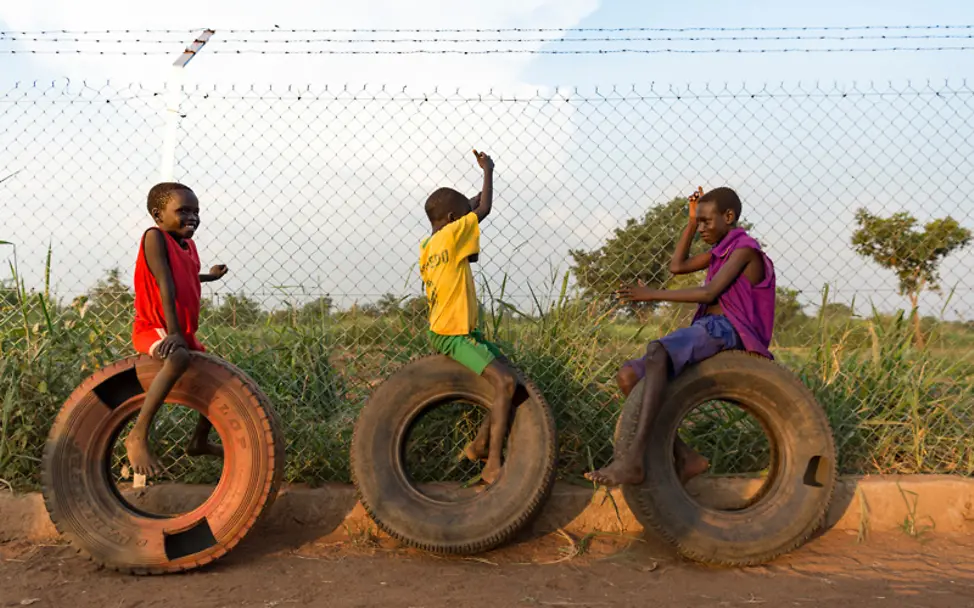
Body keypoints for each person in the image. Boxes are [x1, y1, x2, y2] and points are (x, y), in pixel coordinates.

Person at [586, 186, 776, 487]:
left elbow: (710, 292)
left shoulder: (744, 250)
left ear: (729, 217)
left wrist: (651, 294)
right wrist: (688, 222)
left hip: (728, 329)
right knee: (628, 376)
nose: (701, 228)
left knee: (657, 351)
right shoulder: (718, 252)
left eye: (706, 221)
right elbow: (677, 266)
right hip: (709, 329)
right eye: (698, 222)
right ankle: (687, 457)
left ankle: (634, 460)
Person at [419, 149, 518, 485]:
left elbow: (472, 206)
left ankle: (477, 445)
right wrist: (489, 170)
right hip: (453, 334)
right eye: (462, 216)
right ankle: (492, 462)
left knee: (510, 378)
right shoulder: (451, 234)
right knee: (505, 383)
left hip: (452, 329)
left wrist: (469, 201)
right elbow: (484, 208)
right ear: (451, 218)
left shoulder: (429, 245)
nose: (468, 219)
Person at [125, 182, 229, 477]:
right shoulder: (154, 238)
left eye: (196, 211)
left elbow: (184, 276)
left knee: (217, 373)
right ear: (158, 215)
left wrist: (208, 276)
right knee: (179, 358)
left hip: (181, 332)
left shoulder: (189, 245)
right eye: (183, 210)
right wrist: (173, 333)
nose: (192, 217)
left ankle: (198, 441)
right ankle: (137, 435)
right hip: (155, 327)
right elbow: (165, 283)